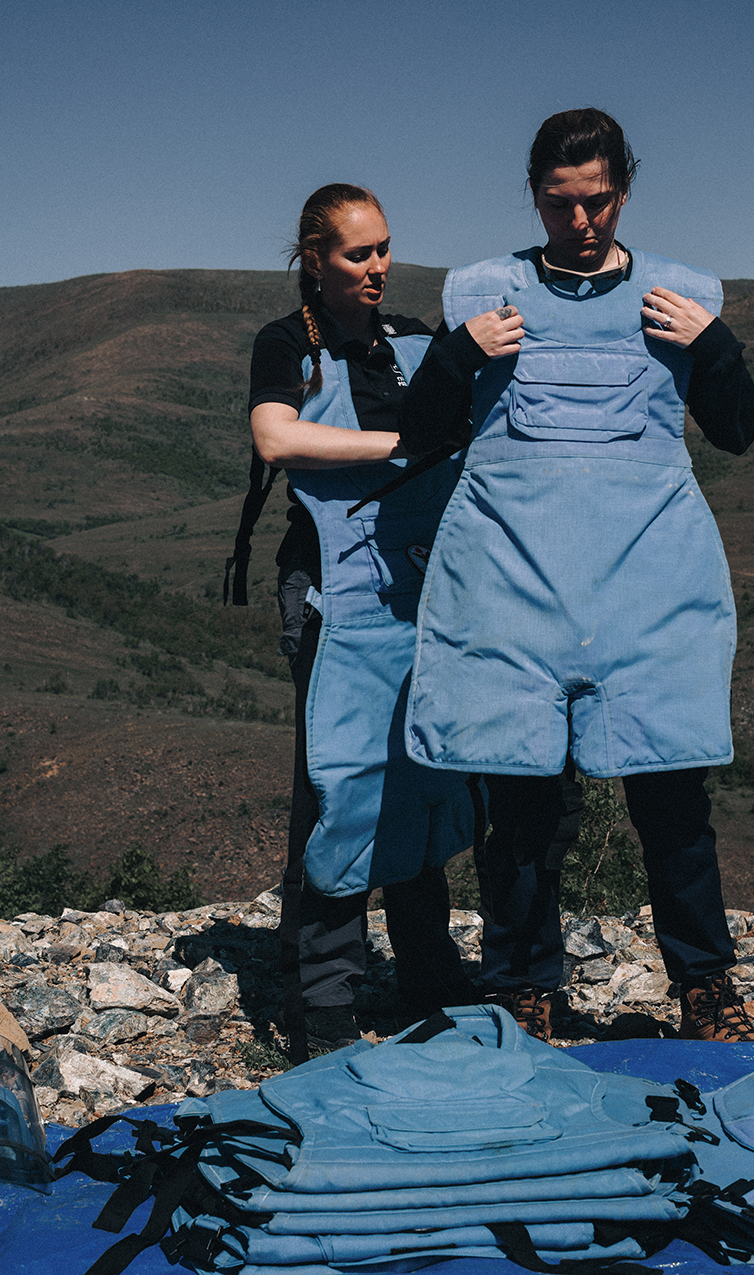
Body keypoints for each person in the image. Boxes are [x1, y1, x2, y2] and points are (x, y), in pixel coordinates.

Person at [398, 108, 754, 1043]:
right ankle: (525, 984)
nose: (583, 221)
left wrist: (714, 345)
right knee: (519, 803)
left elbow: (737, 431)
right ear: (535, 197)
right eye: (563, 204)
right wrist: (455, 355)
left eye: (597, 202)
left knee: (673, 797)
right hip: (514, 585)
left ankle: (705, 986)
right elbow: (428, 438)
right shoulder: (483, 295)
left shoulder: (679, 297)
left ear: (624, 191)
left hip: (647, 586)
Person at [230, 184, 499, 1059]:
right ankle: (327, 996)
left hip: (424, 586)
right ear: (314, 258)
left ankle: (427, 971)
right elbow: (274, 438)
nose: (378, 266)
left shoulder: (417, 339)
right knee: (339, 784)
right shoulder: (288, 345)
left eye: (384, 248)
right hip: (331, 589)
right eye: (358, 254)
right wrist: (402, 441)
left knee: (425, 771)